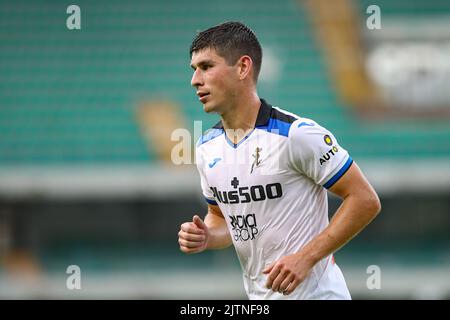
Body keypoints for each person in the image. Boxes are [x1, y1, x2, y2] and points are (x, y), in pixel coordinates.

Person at [178, 21, 381, 300]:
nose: (195, 80)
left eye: (206, 67)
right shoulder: (206, 147)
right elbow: (221, 218)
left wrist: (305, 258)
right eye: (194, 70)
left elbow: (365, 199)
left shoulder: (296, 134)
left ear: (242, 67)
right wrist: (208, 236)